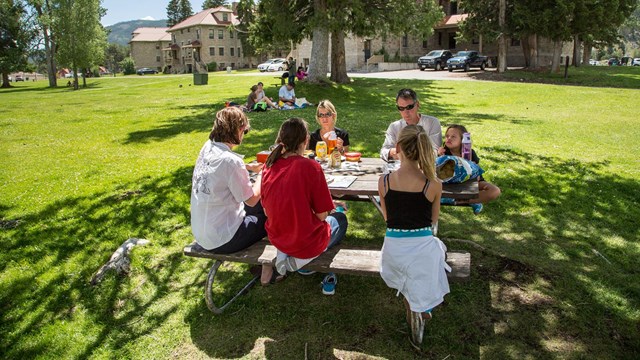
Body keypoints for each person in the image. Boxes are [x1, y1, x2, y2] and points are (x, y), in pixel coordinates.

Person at [377, 124, 449, 348]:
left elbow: (388, 220)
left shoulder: (384, 181)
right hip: (421, 253)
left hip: (393, 254)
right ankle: (421, 305)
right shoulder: (434, 184)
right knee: (435, 251)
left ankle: (416, 303)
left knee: (416, 262)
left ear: (397, 148)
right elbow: (433, 221)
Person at [260, 117, 349, 295]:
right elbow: (322, 216)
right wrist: (332, 206)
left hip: (278, 235)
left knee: (304, 220)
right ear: (306, 140)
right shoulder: (310, 167)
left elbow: (267, 209)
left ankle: (288, 255)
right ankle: (302, 261)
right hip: (306, 241)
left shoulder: (268, 166)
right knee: (340, 219)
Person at [190, 107, 267, 256]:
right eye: (245, 131)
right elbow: (251, 200)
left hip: (203, 234)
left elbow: (217, 169)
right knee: (269, 213)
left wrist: (248, 167)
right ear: (239, 129)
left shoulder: (208, 147)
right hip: (224, 239)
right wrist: (262, 175)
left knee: (258, 208)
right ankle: (272, 264)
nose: (244, 135)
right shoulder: (231, 161)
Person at [437, 124, 501, 214]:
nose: (448, 139)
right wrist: (440, 157)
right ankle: (456, 199)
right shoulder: (444, 153)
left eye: (453, 137)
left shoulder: (470, 153)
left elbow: (477, 176)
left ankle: (470, 201)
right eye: (447, 136)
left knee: (495, 191)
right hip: (450, 185)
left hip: (472, 183)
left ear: (462, 140)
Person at [380, 88, 442, 161]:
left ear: (418, 105)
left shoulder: (432, 123)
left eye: (409, 107)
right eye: (401, 108)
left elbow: (434, 152)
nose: (406, 112)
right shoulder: (394, 127)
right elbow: (384, 152)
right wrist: (392, 152)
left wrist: (404, 153)